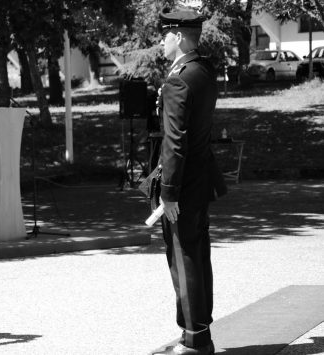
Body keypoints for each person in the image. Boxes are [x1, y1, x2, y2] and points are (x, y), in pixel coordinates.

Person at [152, 8, 227, 355]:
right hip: (198, 180)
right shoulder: (202, 71)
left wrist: (168, 193)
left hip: (183, 186)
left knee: (184, 258)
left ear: (179, 36)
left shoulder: (178, 78)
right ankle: (196, 334)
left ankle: (196, 341)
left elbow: (174, 141)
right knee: (196, 255)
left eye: (166, 35)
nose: (162, 41)